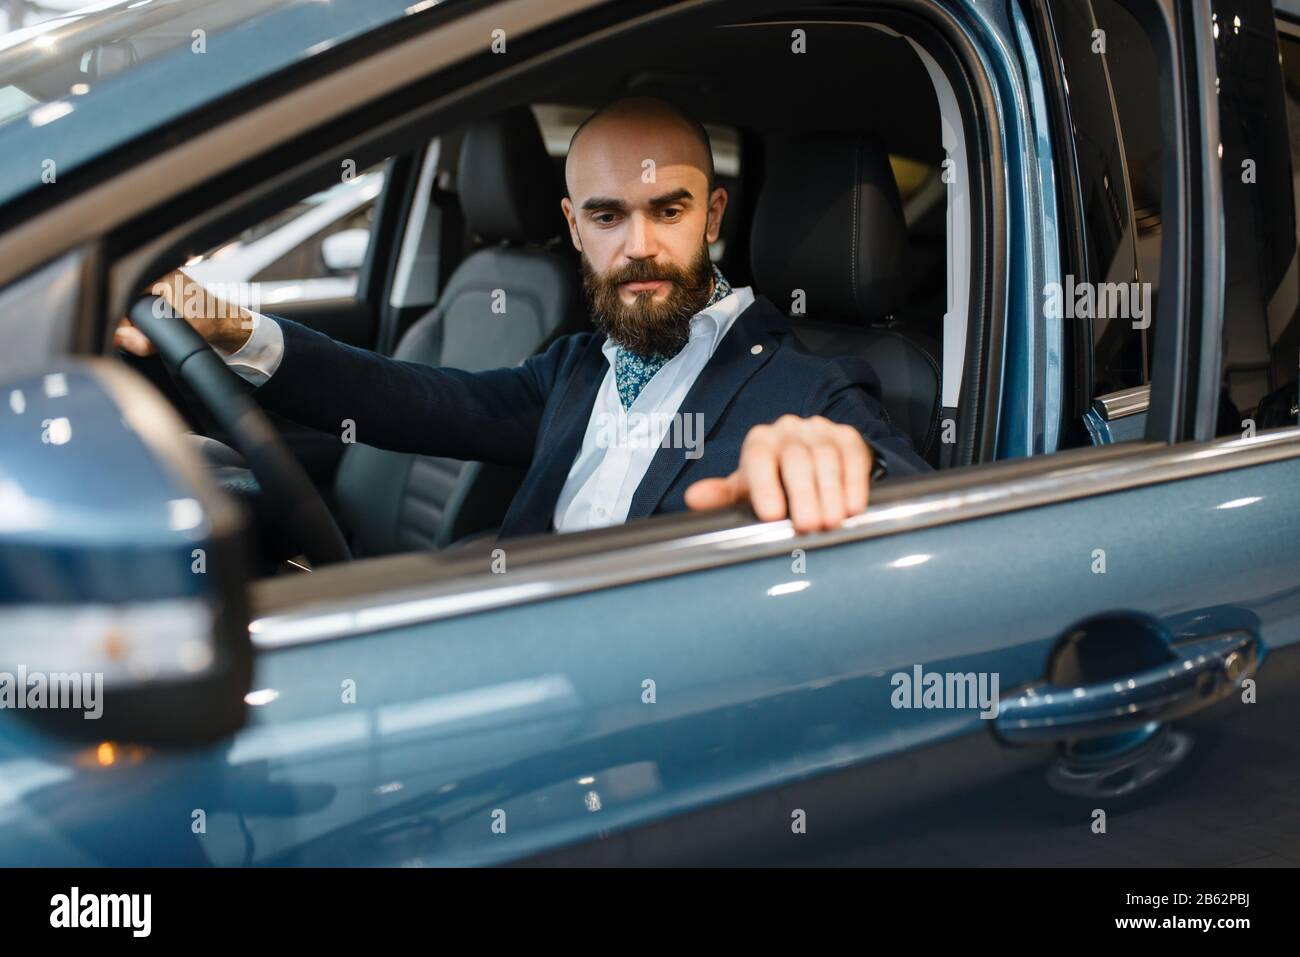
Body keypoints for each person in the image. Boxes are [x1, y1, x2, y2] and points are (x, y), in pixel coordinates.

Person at [116, 97, 930, 538]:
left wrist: (843, 461)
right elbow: (409, 398)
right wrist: (227, 326)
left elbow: (900, 484)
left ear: (713, 216)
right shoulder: (576, 366)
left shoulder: (802, 381)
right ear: (575, 227)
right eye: (608, 217)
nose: (639, 247)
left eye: (667, 211)